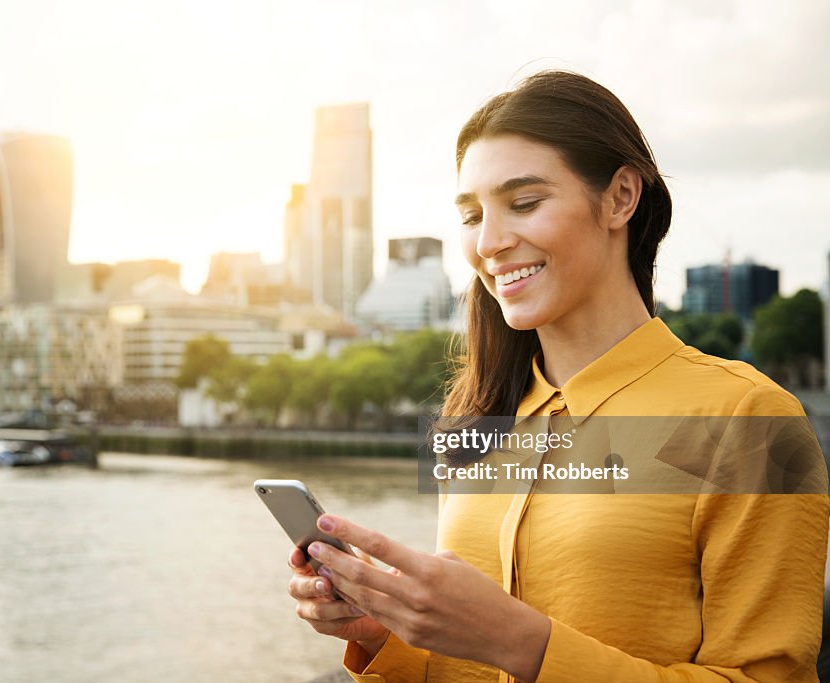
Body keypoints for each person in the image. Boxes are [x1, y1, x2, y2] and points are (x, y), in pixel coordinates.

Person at [287, 70, 830, 682]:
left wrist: (525, 644)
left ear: (621, 198)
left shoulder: (750, 419)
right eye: (471, 215)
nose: (489, 243)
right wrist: (390, 636)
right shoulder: (475, 424)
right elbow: (468, 665)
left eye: (524, 203)